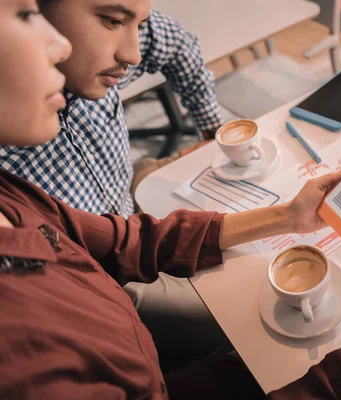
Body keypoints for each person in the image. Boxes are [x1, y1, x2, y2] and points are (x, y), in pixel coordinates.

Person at [0, 1, 341, 398]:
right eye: (25, 14)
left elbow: (119, 240)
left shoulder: (12, 196)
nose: (58, 45)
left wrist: (287, 216)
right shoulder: (26, 352)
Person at [0, 0, 229, 367]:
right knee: (237, 313)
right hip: (108, 273)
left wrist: (211, 128)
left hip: (127, 213)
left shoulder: (93, 64)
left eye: (138, 25)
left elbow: (178, 45)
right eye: (112, 20)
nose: (134, 54)